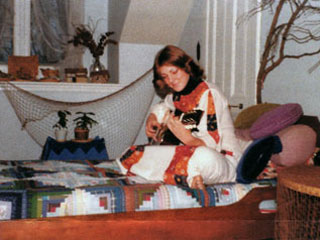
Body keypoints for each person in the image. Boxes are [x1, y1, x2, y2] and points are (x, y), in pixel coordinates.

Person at [115, 45, 242, 190]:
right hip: (187, 155)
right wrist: (153, 116)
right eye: (165, 77)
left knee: (203, 157)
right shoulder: (176, 95)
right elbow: (163, 106)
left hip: (223, 160)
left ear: (186, 67)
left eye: (174, 72)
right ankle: (188, 177)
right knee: (130, 154)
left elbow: (214, 145)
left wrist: (188, 139)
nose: (170, 80)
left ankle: (186, 176)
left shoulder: (209, 93)